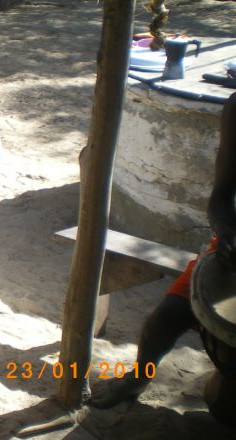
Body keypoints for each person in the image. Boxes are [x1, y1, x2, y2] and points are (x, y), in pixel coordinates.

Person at [90, 91, 236, 408]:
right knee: (167, 317)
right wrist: (225, 231)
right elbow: (221, 198)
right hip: (232, 252)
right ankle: (137, 378)